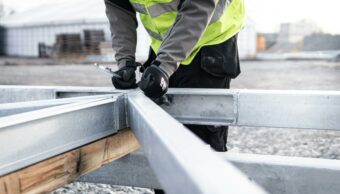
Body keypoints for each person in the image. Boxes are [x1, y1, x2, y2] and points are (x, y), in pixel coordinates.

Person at [104, 0, 245, 151]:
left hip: (211, 36)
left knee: (201, 139)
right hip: (165, 42)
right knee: (162, 128)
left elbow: (199, 6)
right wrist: (125, 62)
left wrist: (165, 65)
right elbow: (119, 8)